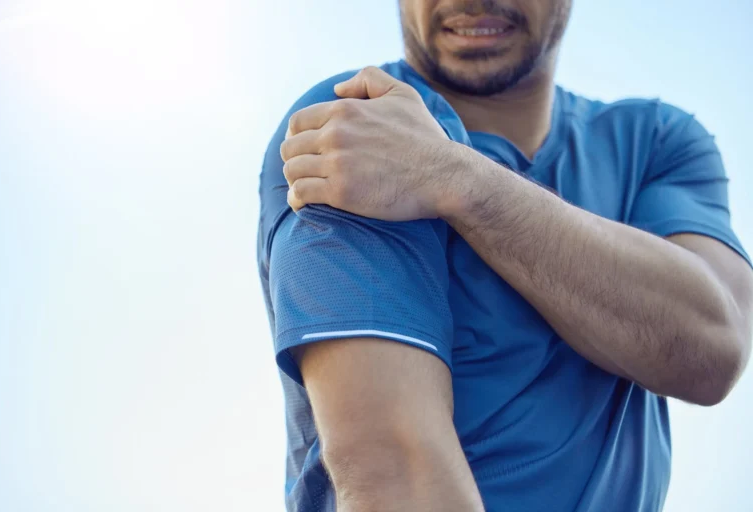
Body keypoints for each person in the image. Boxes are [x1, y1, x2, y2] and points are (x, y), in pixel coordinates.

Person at [257, 1, 753, 510]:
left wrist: (457, 179)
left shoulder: (654, 143)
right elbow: (390, 468)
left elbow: (712, 349)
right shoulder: (354, 122)